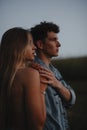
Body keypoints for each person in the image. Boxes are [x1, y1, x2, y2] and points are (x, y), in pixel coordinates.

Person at [0, 27, 49, 130]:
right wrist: (42, 89)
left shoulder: (5, 75)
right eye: (30, 42)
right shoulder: (30, 74)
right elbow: (38, 125)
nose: (34, 47)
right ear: (18, 46)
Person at [30, 21, 76, 130]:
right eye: (54, 40)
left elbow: (71, 100)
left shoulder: (54, 71)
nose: (59, 44)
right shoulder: (34, 71)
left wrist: (58, 85)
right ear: (40, 44)